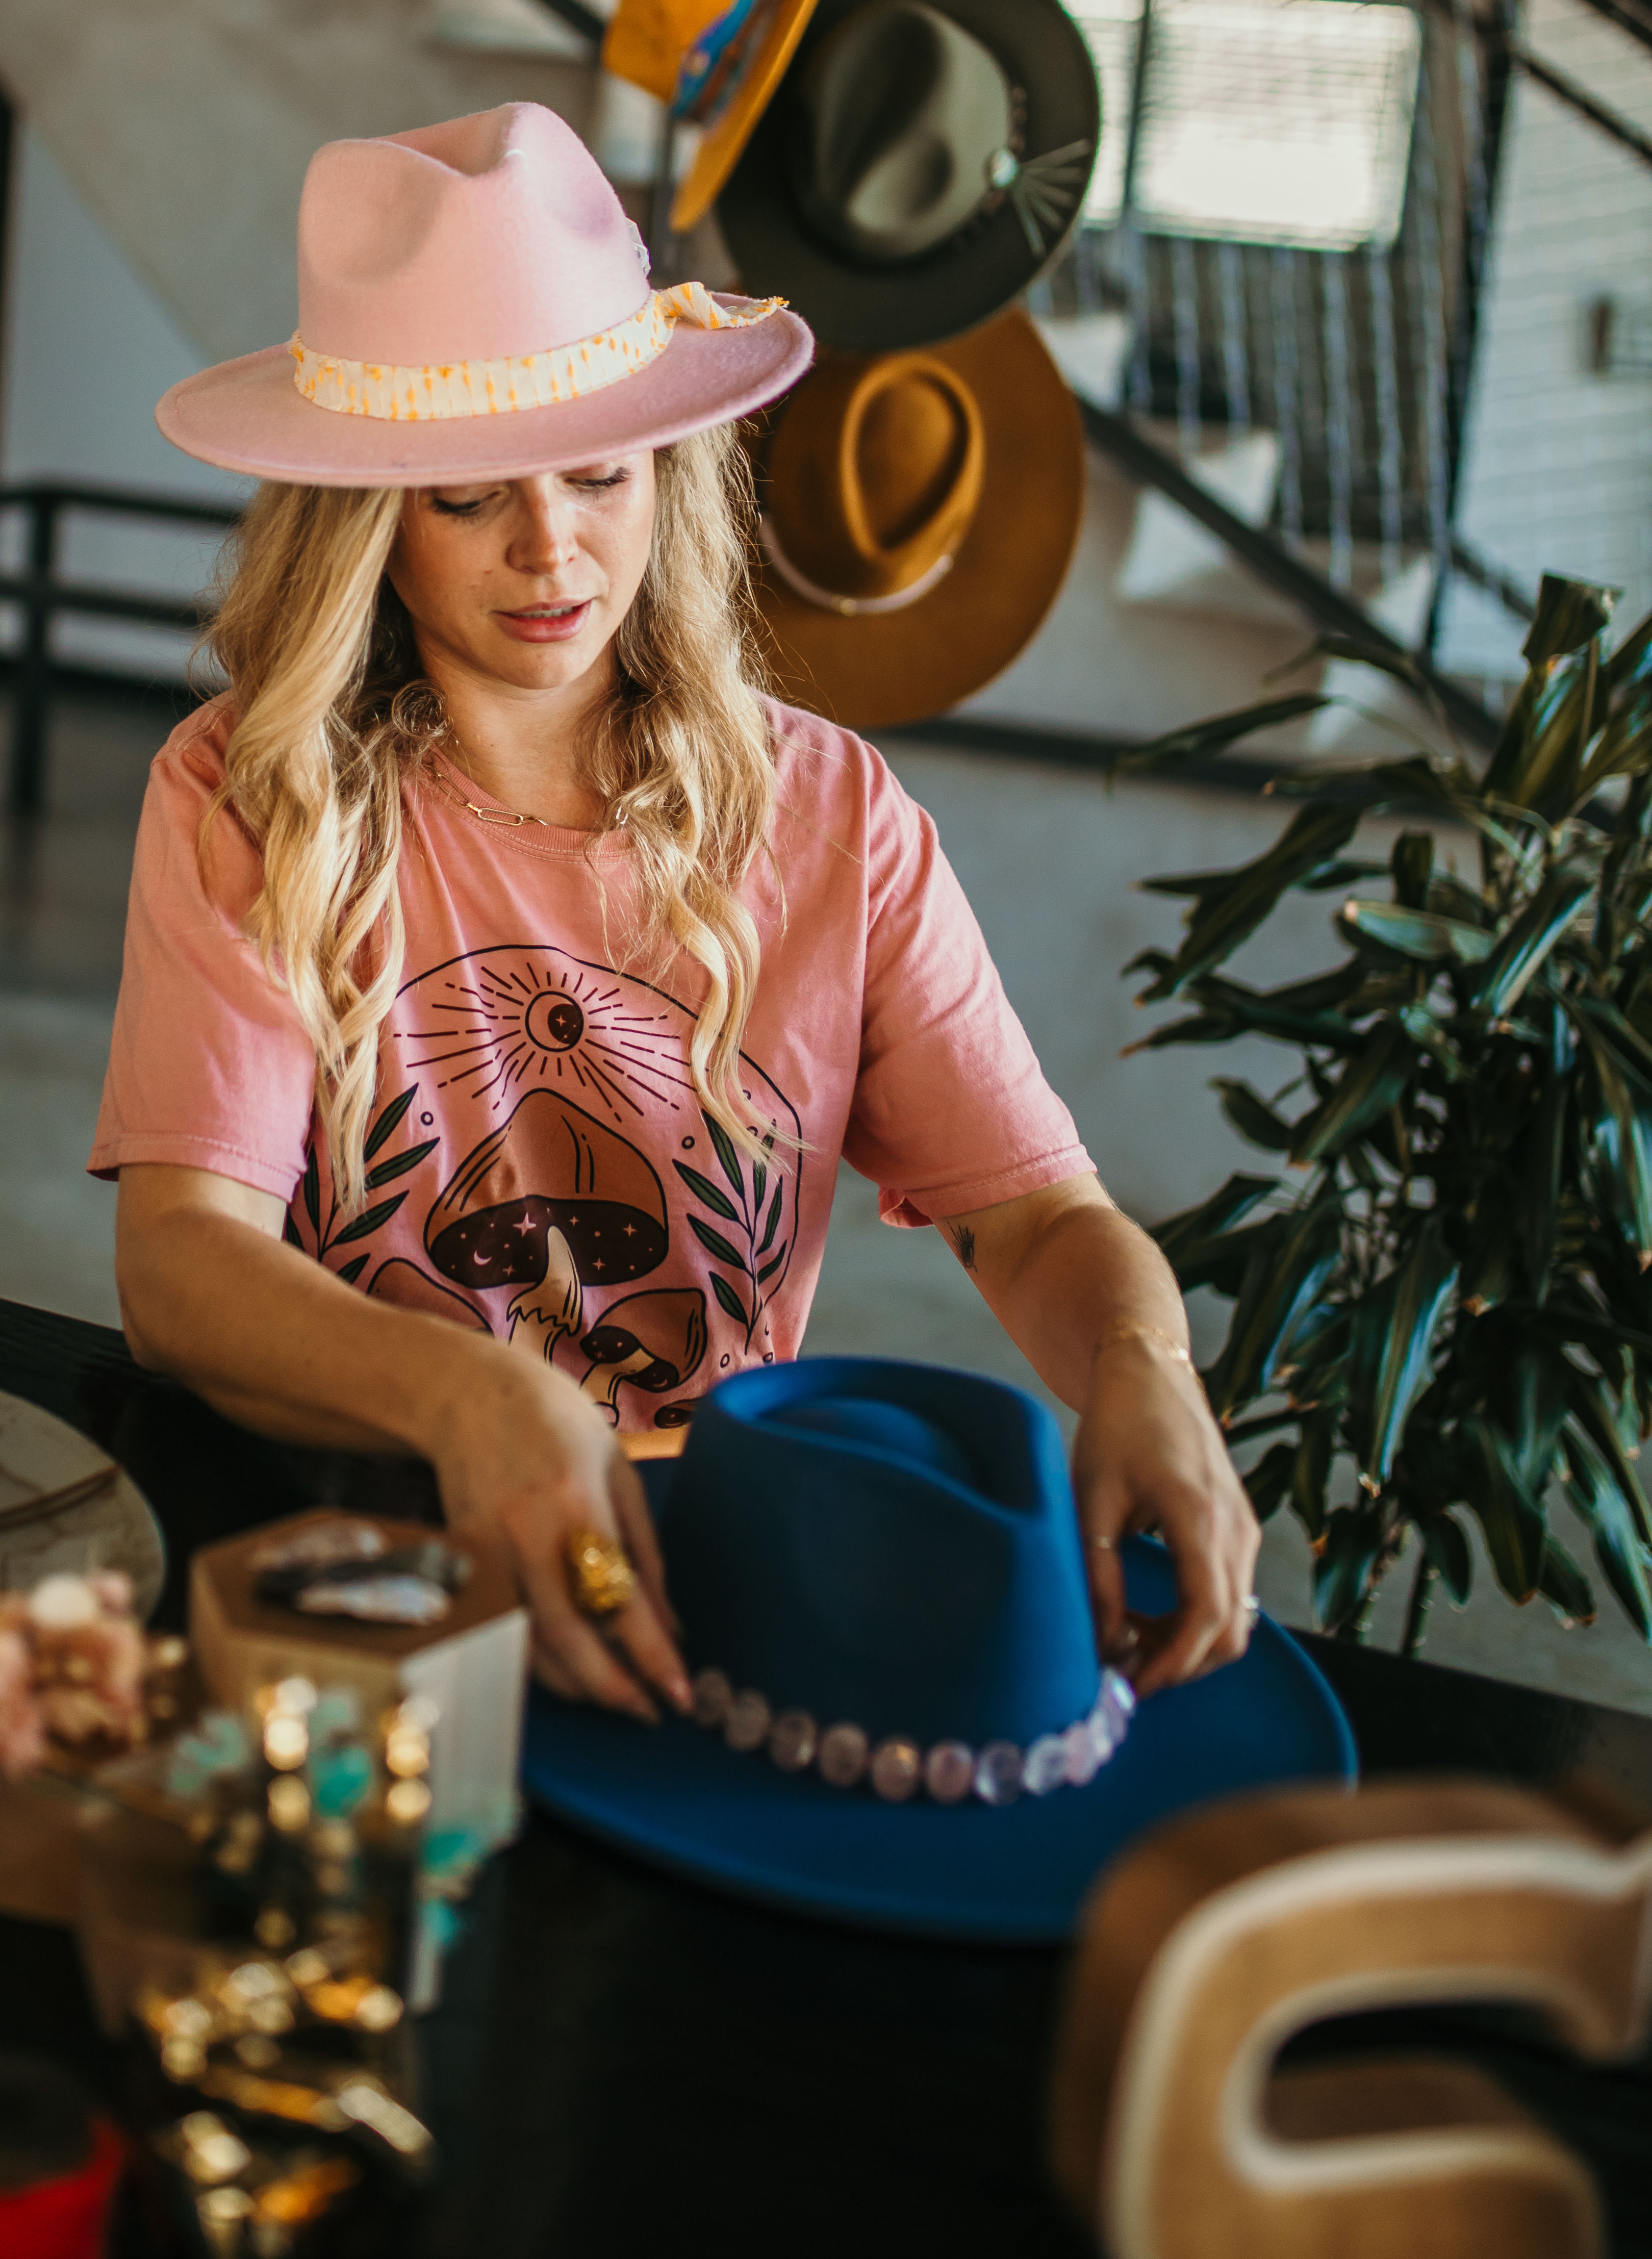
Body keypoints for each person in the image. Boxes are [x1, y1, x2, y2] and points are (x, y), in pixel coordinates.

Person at [95, 104, 1259, 1728]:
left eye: (602, 471)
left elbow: (1037, 1220)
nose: (553, 548)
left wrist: (1147, 1367)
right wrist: (471, 1395)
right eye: (467, 497)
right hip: (349, 1568)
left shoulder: (835, 819)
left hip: (710, 1576)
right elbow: (180, 1266)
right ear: (368, 521)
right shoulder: (249, 792)